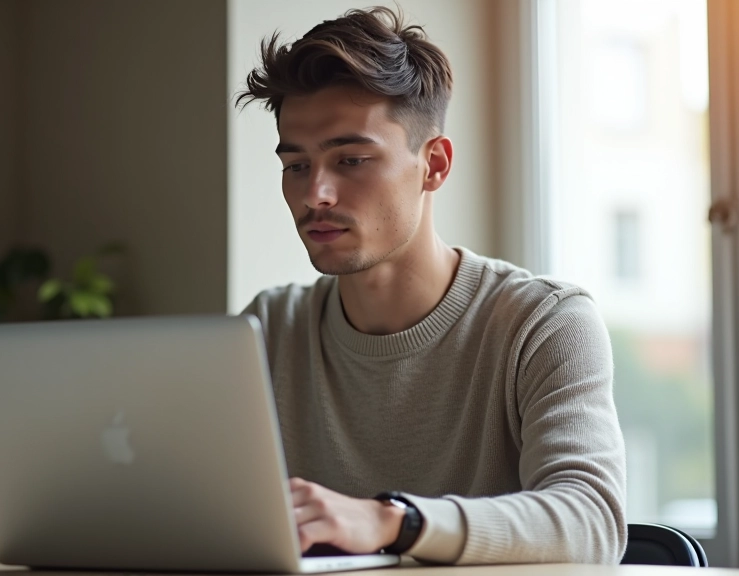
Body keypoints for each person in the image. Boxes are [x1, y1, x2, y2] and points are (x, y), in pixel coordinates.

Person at [235, 6, 626, 566]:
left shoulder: (543, 323)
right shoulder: (268, 329)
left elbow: (591, 520)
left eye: (351, 159)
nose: (316, 193)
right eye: (296, 165)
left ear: (434, 165)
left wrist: (392, 522)